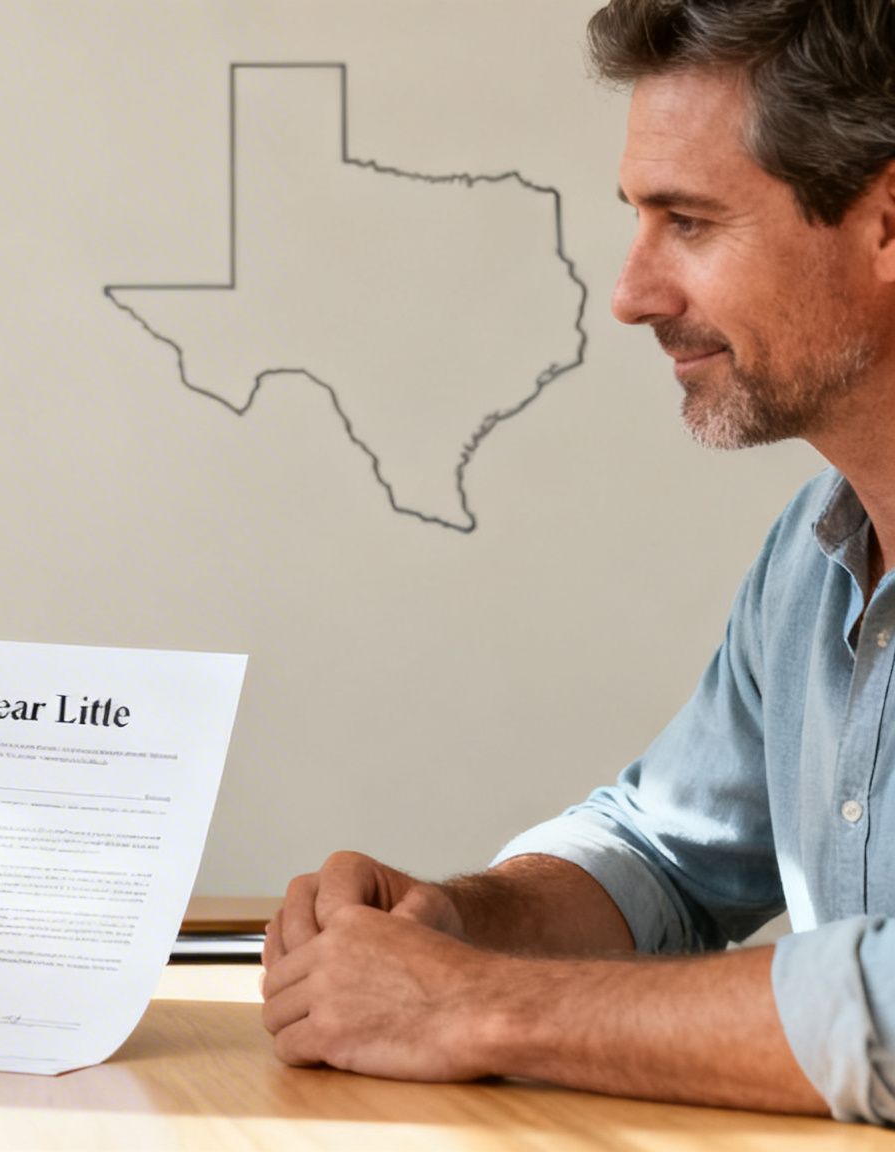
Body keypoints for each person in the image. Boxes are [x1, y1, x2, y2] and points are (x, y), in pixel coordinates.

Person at [261, 0, 895, 1124]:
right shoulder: (811, 554)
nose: (630, 293)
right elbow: (662, 854)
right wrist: (457, 919)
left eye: (688, 223)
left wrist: (475, 1007)